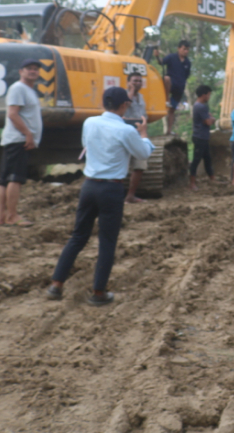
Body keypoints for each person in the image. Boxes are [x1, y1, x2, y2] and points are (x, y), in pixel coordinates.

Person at [46, 86, 153, 307]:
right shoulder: (126, 131)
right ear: (124, 105)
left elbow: (87, 144)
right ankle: (98, 292)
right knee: (107, 241)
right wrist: (143, 135)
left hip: (89, 186)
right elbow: (143, 154)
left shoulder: (89, 123)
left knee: (78, 237)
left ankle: (56, 285)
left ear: (105, 103)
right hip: (111, 189)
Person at [0, 59, 43, 226]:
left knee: (4, 179)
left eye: (36, 69)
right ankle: (12, 216)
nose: (33, 71)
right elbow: (13, 114)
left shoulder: (27, 90)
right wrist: (28, 134)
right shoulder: (19, 88)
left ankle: (0, 217)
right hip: (18, 140)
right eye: (29, 68)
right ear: (21, 71)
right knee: (15, 178)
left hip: (15, 139)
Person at [121, 72, 150, 204]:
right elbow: (126, 104)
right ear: (128, 82)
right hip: (124, 134)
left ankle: (130, 195)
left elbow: (144, 115)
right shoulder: (124, 96)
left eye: (139, 81)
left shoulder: (142, 97)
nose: (138, 83)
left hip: (138, 134)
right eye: (134, 81)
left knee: (140, 165)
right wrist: (131, 90)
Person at [188, 85, 216, 191]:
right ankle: (192, 184)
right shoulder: (201, 106)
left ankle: (212, 179)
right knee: (196, 160)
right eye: (209, 94)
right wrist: (212, 119)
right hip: (201, 137)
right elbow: (208, 121)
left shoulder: (197, 105)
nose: (209, 96)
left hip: (201, 136)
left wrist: (209, 117)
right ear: (204, 95)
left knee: (207, 159)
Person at [161, 40, 191, 132]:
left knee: (172, 110)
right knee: (166, 78)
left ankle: (169, 130)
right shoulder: (171, 57)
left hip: (179, 88)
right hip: (170, 83)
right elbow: (161, 62)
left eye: (187, 50)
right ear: (179, 49)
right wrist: (157, 56)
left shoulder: (188, 63)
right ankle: (167, 99)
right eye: (184, 49)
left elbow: (186, 76)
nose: (186, 51)